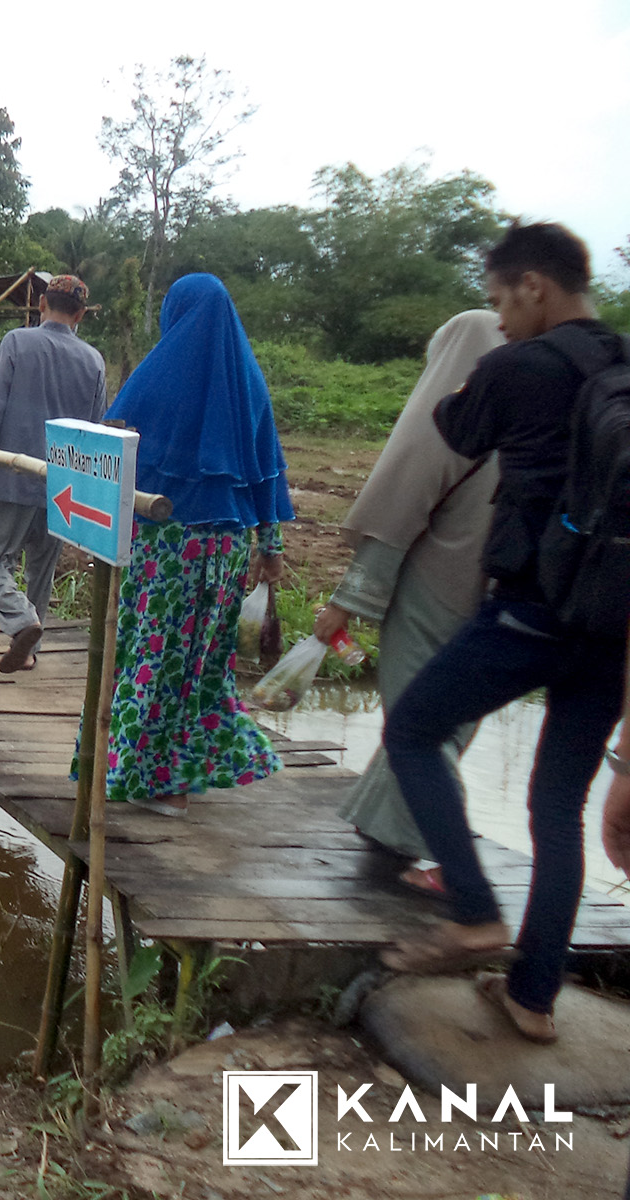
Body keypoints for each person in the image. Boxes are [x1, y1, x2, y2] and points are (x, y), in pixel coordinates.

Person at [377, 223, 629, 1044]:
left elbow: (455, 428)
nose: (501, 320)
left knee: (413, 729)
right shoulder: (623, 365)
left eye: (500, 303)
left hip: (530, 608)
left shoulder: (518, 366)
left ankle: (476, 911)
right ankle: (533, 997)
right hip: (610, 623)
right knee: (557, 808)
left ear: (533, 286)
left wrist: (474, 367)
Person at [313, 311, 506, 887]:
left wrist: (345, 604)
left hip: (432, 592)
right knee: (451, 714)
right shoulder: (531, 422)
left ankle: (453, 865)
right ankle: (389, 826)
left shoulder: (449, 420)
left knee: (419, 721)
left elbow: (398, 508)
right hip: (499, 596)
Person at [93, 273, 293, 816]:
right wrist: (270, 550)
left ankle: (144, 775)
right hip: (224, 552)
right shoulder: (249, 384)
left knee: (151, 655)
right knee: (202, 662)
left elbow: (107, 453)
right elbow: (266, 473)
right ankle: (179, 778)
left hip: (163, 546)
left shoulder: (153, 380)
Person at [0, 274, 108, 673]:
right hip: (62, 486)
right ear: (80, 315)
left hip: (11, 478)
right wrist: (87, 493)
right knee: (42, 570)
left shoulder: (17, 343)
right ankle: (27, 649)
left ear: (41, 304)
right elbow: (95, 430)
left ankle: (23, 622)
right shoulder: (94, 361)